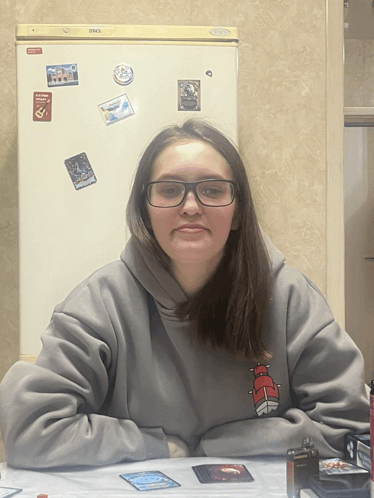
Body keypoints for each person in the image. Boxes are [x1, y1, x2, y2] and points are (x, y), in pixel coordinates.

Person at [0, 119, 369, 469]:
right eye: (169, 189)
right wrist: (155, 446)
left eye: (211, 189)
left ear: (238, 212)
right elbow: (29, 429)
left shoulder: (291, 299)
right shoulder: (99, 305)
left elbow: (348, 426)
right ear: (144, 212)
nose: (191, 206)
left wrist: (214, 447)